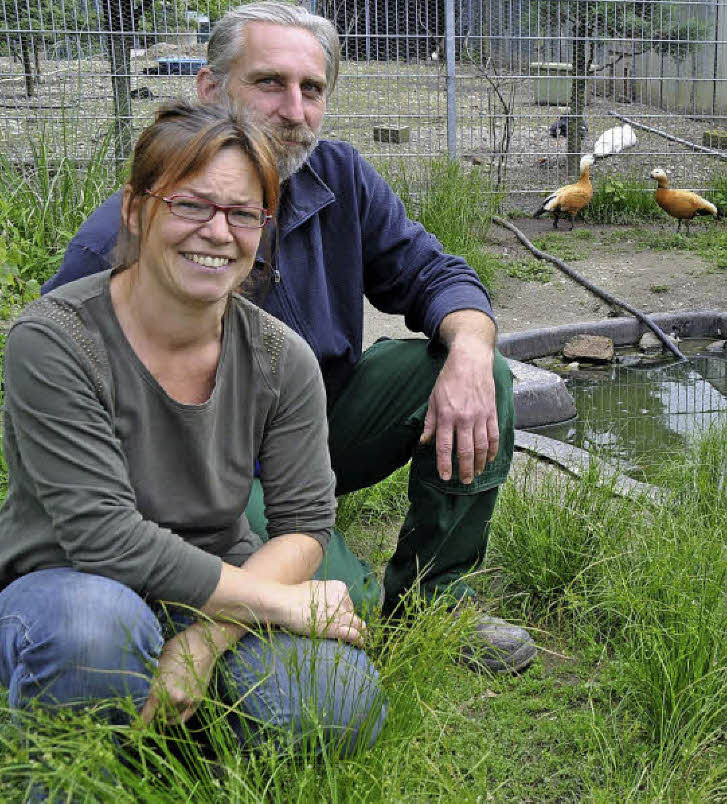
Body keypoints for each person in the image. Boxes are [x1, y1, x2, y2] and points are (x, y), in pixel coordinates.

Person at [44, 1, 535, 674]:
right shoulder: (123, 239)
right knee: (342, 608)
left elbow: (434, 273)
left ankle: (435, 600)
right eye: (269, 83)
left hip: (318, 425)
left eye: (313, 90)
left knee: (478, 371)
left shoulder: (340, 177)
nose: (295, 110)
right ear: (210, 90)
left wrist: (474, 352)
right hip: (202, 472)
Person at [0, 102, 384, 753]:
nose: (216, 232)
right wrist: (282, 604)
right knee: (94, 633)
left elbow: (304, 525)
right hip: (68, 583)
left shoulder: (278, 356)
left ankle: (176, 740)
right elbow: (103, 538)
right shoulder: (52, 339)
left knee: (339, 705)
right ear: (134, 210)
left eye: (242, 214)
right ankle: (63, 760)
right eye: (189, 206)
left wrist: (207, 637)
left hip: (212, 580)